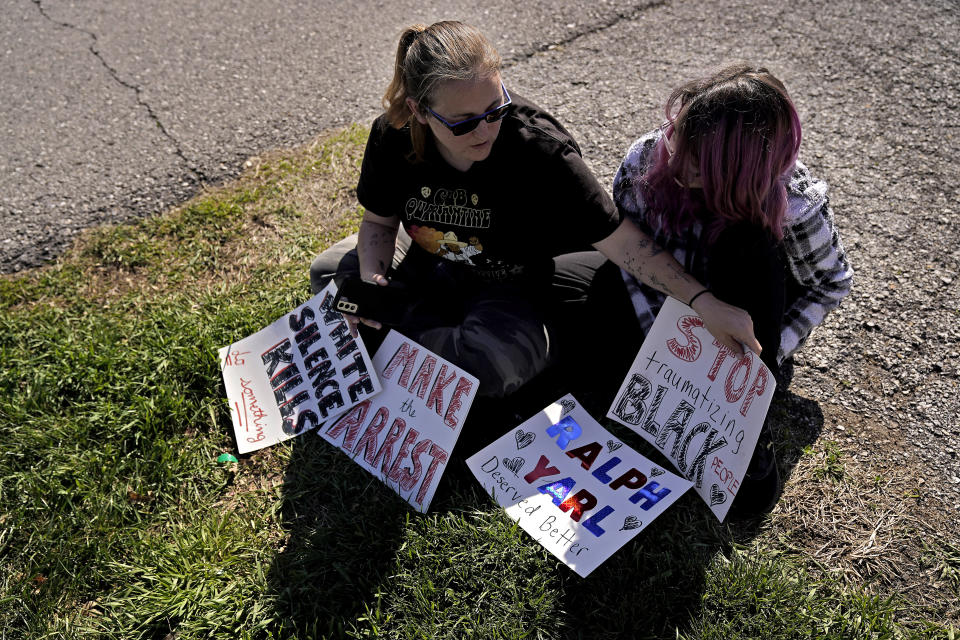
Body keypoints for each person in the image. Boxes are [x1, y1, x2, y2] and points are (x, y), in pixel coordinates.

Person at [310, 21, 759, 426]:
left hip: (513, 284)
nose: (485, 131)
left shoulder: (538, 147)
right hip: (430, 263)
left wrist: (702, 301)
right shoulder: (394, 134)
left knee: (486, 367)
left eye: (495, 108)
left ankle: (396, 339)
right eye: (464, 123)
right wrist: (372, 282)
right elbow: (379, 223)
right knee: (329, 273)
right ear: (420, 110)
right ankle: (410, 334)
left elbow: (620, 240)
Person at [606, 64, 854, 517]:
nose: (674, 165)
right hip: (666, 305)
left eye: (697, 165)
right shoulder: (646, 159)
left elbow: (830, 283)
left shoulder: (791, 201)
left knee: (750, 245)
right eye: (675, 140)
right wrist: (660, 347)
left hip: (743, 321)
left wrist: (764, 354)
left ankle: (746, 420)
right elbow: (628, 254)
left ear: (742, 170)